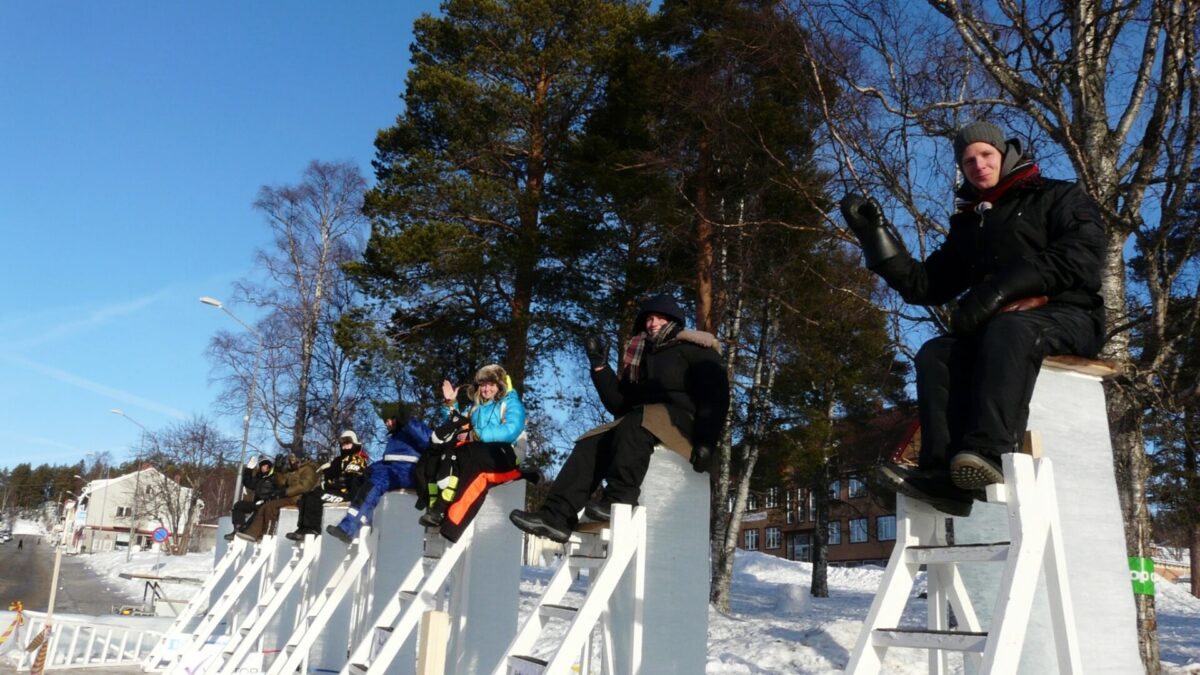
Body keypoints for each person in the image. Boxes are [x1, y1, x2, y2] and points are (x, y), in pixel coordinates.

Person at [839, 120, 1105, 517]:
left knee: (1008, 327)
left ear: (1004, 154)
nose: (978, 165)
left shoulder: (1058, 196)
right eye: (967, 161)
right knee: (936, 353)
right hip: (1002, 330)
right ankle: (942, 475)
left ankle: (989, 455)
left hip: (1069, 316)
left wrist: (998, 290)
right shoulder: (972, 225)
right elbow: (925, 285)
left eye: (986, 155)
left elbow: (1081, 257)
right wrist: (876, 237)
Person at [510, 294, 731, 543]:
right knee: (591, 441)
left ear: (674, 321)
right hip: (646, 422)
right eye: (648, 318)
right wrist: (600, 368)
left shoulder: (695, 350)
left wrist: (706, 441)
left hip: (687, 424)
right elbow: (620, 403)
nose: (652, 322)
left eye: (659, 317)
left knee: (636, 421)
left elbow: (717, 395)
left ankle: (620, 499)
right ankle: (556, 516)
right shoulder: (641, 357)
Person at [418, 364, 528, 542]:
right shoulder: (475, 408)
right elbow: (457, 422)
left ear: (500, 385)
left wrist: (476, 434)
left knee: (469, 454)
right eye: (483, 384)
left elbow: (511, 429)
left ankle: (452, 522)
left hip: (508, 452)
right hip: (481, 451)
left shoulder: (510, 401)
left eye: (491, 384)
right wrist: (450, 404)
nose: (486, 389)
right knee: (445, 454)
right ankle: (437, 507)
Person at [326, 403, 431, 543]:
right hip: (391, 469)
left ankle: (349, 528)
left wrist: (408, 422)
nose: (387, 423)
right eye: (385, 421)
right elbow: (388, 460)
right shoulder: (395, 436)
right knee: (360, 479)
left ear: (398, 418)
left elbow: (428, 440)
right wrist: (369, 470)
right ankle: (364, 523)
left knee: (376, 483)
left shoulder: (412, 428)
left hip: (406, 472)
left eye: (390, 419)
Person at [286, 430, 370, 541]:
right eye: (343, 444)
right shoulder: (338, 460)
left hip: (347, 494)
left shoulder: (358, 459)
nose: (345, 446)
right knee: (307, 496)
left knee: (315, 498)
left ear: (354, 443)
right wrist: (326, 471)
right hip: (336, 491)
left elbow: (349, 480)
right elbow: (330, 475)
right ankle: (302, 528)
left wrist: (333, 483)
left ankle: (312, 530)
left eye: (348, 443)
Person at [238, 452, 318, 542]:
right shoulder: (291, 470)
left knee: (271, 506)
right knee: (265, 506)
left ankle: (268, 534)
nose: (292, 462)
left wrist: (285, 492)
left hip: (300, 498)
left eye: (294, 460)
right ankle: (253, 533)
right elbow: (281, 483)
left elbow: (305, 486)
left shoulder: (308, 469)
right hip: (290, 497)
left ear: (300, 459)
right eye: (290, 460)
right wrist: (278, 470)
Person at [225, 458, 282, 541]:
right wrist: (249, 469)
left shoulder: (274, 478)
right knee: (239, 505)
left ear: (269, 467)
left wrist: (269, 498)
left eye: (265, 466)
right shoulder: (260, 478)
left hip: (268, 504)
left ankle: (247, 531)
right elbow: (248, 483)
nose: (263, 468)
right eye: (262, 466)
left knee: (259, 511)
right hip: (256, 503)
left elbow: (280, 487)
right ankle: (238, 528)